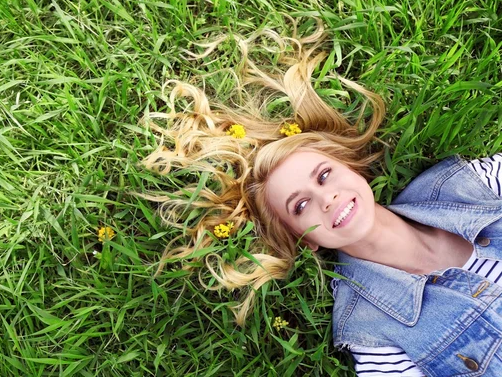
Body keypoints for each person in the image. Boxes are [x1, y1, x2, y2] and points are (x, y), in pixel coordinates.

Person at [141, 23, 502, 376]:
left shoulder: (462, 184)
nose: (326, 198)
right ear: (305, 238)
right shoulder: (371, 335)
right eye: (300, 206)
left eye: (324, 175)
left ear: (351, 166)